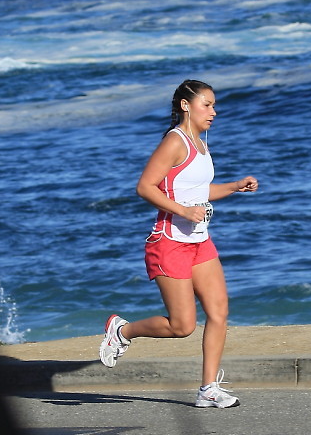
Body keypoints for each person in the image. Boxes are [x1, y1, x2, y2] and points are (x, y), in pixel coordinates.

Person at [99, 79, 258, 408]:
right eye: (207, 105)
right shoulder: (175, 141)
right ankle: (122, 331)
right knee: (182, 326)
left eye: (214, 105)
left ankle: (208, 389)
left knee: (219, 312)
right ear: (186, 105)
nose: (213, 112)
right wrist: (183, 211)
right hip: (169, 242)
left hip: (199, 242)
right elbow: (145, 187)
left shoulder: (201, 143)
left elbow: (199, 190)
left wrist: (234, 186)